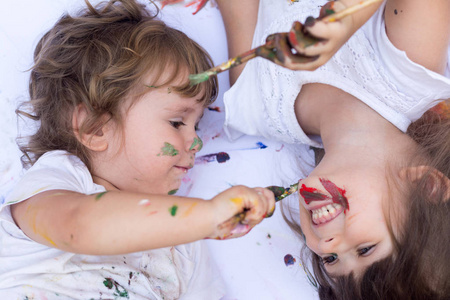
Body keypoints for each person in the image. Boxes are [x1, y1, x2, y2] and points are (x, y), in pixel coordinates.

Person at [0, 0, 276, 299]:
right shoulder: (58, 181)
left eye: (196, 125)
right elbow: (80, 226)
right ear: (95, 128)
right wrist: (208, 216)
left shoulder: (184, 243)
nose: (195, 142)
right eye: (176, 122)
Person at [217, 0, 450, 298]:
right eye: (365, 249)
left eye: (331, 260)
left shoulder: (255, 109)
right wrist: (347, 16)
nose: (326, 245)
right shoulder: (410, 68)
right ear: (426, 186)